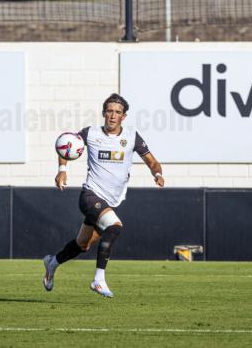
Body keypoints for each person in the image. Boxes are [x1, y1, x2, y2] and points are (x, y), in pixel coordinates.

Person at [42, 93, 164, 298]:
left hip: (110, 201)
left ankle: (52, 263)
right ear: (103, 113)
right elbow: (66, 144)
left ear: (124, 117)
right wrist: (63, 169)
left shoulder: (132, 136)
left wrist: (158, 174)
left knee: (83, 245)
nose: (113, 116)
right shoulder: (91, 133)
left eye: (118, 112)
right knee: (115, 226)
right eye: (109, 111)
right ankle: (98, 280)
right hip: (90, 195)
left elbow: (152, 161)